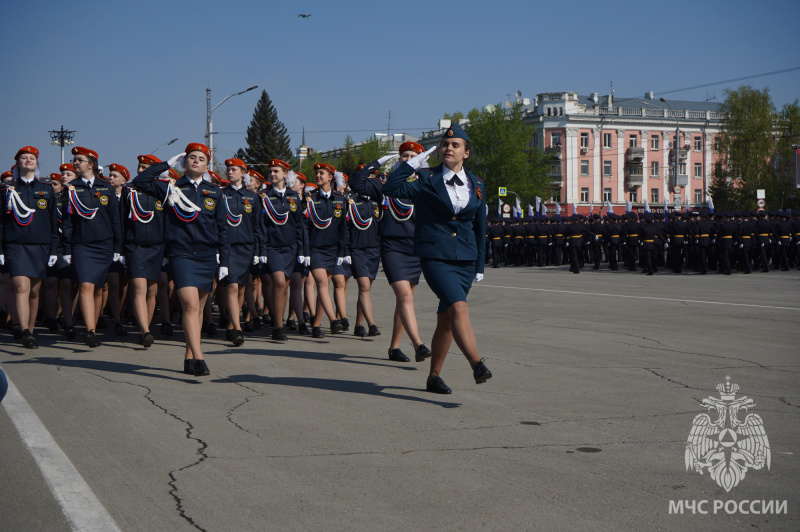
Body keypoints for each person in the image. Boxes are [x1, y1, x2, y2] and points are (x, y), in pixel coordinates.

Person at [383, 124, 491, 394]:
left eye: (455, 145)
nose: (448, 148)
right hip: (435, 258)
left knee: (446, 319)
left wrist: (479, 265)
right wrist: (412, 166)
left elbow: (480, 229)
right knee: (459, 307)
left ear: (466, 153)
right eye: (445, 144)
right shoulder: (426, 179)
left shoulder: (477, 184)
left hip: (465, 260)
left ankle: (433, 377)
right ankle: (477, 363)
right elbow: (391, 188)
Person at [133, 143, 229, 376]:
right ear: (184, 163)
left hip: (207, 256)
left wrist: (224, 260)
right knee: (190, 304)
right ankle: (199, 357)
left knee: (197, 311)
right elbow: (140, 182)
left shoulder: (215, 192)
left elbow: (223, 229)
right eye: (191, 158)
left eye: (201, 158)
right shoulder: (171, 188)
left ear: (207, 165)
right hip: (181, 254)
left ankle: (188, 356)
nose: (196, 161)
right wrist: (166, 164)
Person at [349, 143, 432, 363]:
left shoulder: (425, 183)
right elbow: (355, 183)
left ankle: (394, 348)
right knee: (404, 296)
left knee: (405, 299)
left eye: (413, 156)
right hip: (392, 247)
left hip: (416, 248)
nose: (408, 159)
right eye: (404, 156)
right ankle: (418, 344)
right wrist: (376, 163)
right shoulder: (385, 182)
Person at [62, 146, 123, 347]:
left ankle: (93, 327)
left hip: (104, 245)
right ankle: (90, 331)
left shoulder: (106, 187)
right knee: (85, 285)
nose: (75, 163)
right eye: (75, 160)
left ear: (91, 164)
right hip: (82, 245)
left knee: (98, 288)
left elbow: (115, 219)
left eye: (79, 160)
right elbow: (68, 221)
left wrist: (117, 247)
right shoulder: (70, 188)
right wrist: (67, 249)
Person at [0, 147, 59, 348]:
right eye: (23, 158)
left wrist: (54, 250)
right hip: (15, 246)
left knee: (34, 292)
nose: (28, 160)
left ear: (36, 163)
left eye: (31, 158)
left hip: (40, 246)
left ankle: (30, 330)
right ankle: (25, 330)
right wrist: (0, 250)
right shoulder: (6, 189)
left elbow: (53, 223)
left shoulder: (46, 187)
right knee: (21, 287)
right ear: (17, 163)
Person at [122, 156, 169, 347]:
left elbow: (168, 222)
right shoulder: (129, 191)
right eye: (139, 167)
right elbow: (122, 222)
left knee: (152, 289)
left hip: (157, 246)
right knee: (139, 288)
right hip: (136, 246)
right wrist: (121, 250)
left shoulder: (163, 191)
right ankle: (145, 330)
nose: (141, 170)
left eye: (145, 167)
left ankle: (145, 327)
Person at [260, 159, 307, 341]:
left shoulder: (293, 196)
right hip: (272, 247)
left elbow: (299, 225)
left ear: (285, 174)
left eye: (276, 171)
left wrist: (303, 250)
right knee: (279, 282)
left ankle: (280, 321)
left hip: (291, 248)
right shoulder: (264, 196)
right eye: (271, 171)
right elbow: (261, 226)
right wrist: (262, 250)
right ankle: (278, 326)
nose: (272, 174)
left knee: (286, 285)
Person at [220, 158, 262, 346]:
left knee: (241, 288)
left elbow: (257, 226)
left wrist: (258, 251)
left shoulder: (252, 197)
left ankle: (231, 324)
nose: (230, 172)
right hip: (228, 247)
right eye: (228, 169)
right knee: (232, 286)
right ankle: (238, 329)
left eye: (234, 169)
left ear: (243, 173)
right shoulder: (221, 195)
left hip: (246, 247)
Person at [306, 163, 349, 338]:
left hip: (332, 250)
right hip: (314, 249)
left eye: (322, 173)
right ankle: (333, 320)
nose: (318, 175)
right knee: (322, 283)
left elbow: (343, 229)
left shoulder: (340, 200)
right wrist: (304, 251)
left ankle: (316, 325)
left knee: (323, 288)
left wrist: (342, 252)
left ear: (331, 177)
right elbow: (304, 227)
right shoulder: (309, 198)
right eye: (316, 173)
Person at [345, 164, 382, 338]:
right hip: (357, 249)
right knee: (364, 287)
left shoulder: (378, 201)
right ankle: (372, 324)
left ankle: (359, 325)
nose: (369, 180)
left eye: (372, 177)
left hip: (374, 249)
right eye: (366, 177)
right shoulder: (351, 201)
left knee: (365, 289)